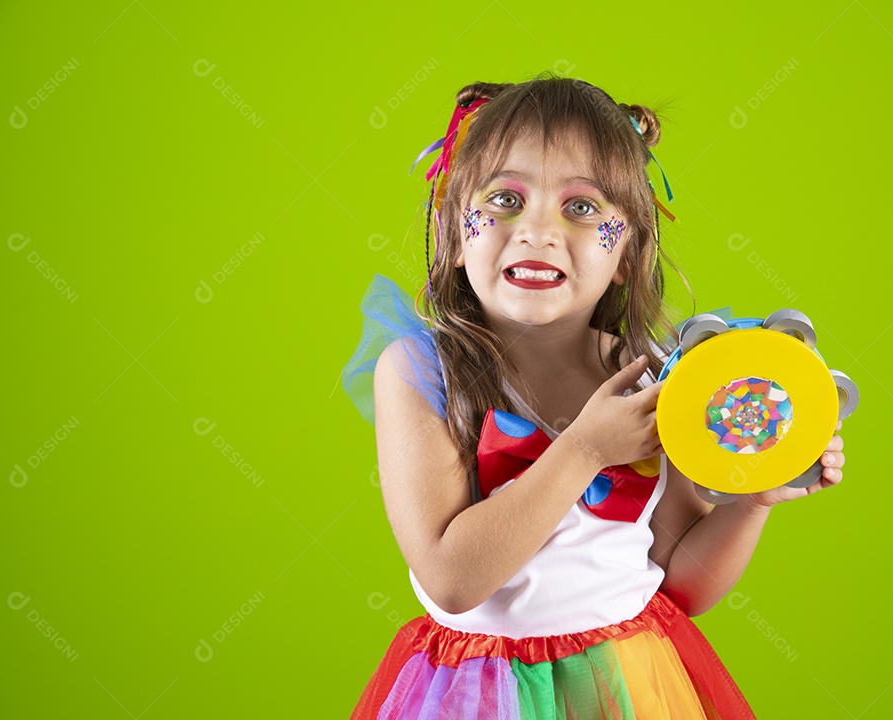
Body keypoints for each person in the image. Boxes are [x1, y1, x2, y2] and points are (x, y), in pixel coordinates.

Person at [341, 75, 846, 719]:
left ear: (628, 246)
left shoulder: (650, 377)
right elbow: (452, 577)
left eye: (581, 208)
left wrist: (750, 502)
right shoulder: (421, 369)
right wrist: (584, 448)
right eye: (503, 199)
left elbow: (679, 582)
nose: (537, 231)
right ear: (453, 228)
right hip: (478, 692)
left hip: (627, 683)